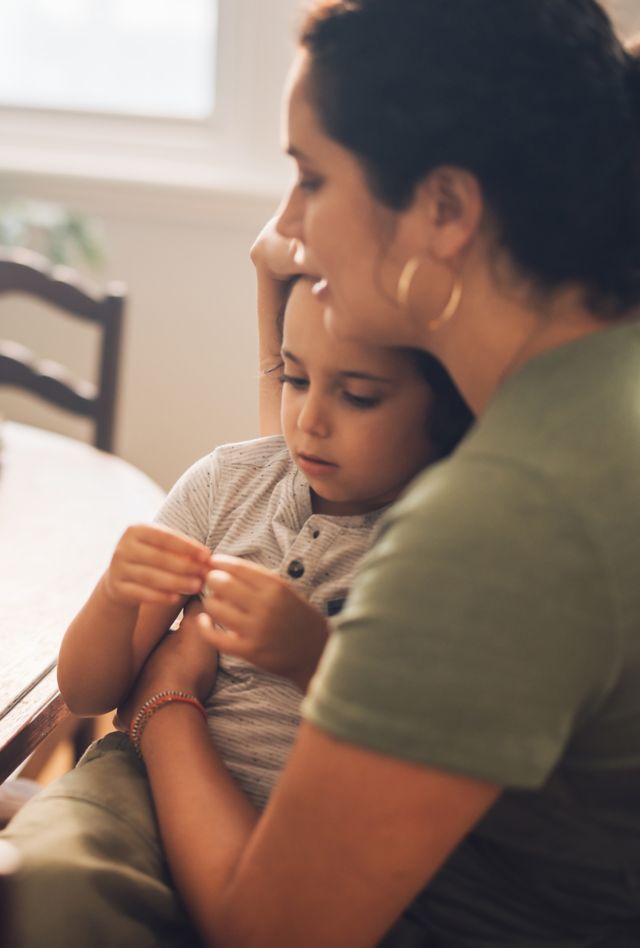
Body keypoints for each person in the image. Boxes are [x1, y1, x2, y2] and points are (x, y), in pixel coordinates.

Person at [54, 1, 640, 946]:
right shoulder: (596, 385)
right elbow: (293, 469)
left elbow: (271, 932)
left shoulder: (505, 516)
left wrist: (164, 699)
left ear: (445, 210)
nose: (289, 224)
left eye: (311, 178)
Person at [1, 276, 472, 946]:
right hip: (138, 793)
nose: (309, 418)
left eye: (359, 395)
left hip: (316, 835)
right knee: (49, 882)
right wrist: (114, 594)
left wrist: (315, 658)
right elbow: (86, 691)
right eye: (294, 377)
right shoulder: (228, 484)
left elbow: (421, 738)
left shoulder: (444, 543)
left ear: (444, 407)